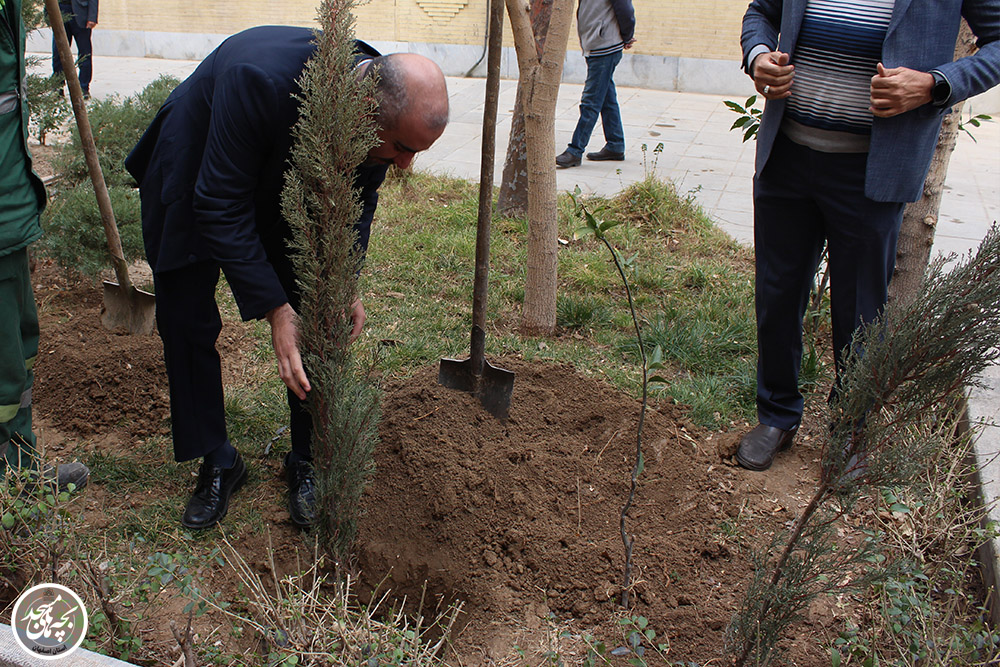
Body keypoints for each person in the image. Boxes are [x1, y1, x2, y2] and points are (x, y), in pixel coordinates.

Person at [124, 25, 449, 530]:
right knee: (185, 315)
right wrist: (276, 310)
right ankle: (218, 458)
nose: (406, 164)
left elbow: (357, 200)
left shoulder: (380, 109)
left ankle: (305, 458)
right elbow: (219, 202)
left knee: (317, 299)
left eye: (416, 152)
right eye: (404, 148)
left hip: (287, 172)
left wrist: (344, 278)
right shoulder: (258, 79)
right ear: (366, 111)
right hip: (195, 161)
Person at [736, 0, 1000, 471]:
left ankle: (850, 429)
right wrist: (757, 55)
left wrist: (935, 84)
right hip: (786, 157)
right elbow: (762, 12)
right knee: (776, 295)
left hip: (872, 171)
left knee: (860, 311)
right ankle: (776, 415)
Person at [1, 0, 89, 491]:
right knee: (5, 366)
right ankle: (11, 488)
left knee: (20, 347)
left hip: (11, 212)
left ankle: (19, 467)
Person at [555, 0, 635, 168]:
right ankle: (615, 145)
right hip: (595, 44)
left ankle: (575, 151)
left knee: (590, 101)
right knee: (606, 98)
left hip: (605, 47)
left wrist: (627, 36)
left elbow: (625, 10)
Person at [51, 0, 98, 98]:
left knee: (85, 54)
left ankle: (83, 88)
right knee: (58, 53)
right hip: (60, 11)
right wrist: (47, 15)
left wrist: (92, 17)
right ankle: (58, 86)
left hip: (81, 13)